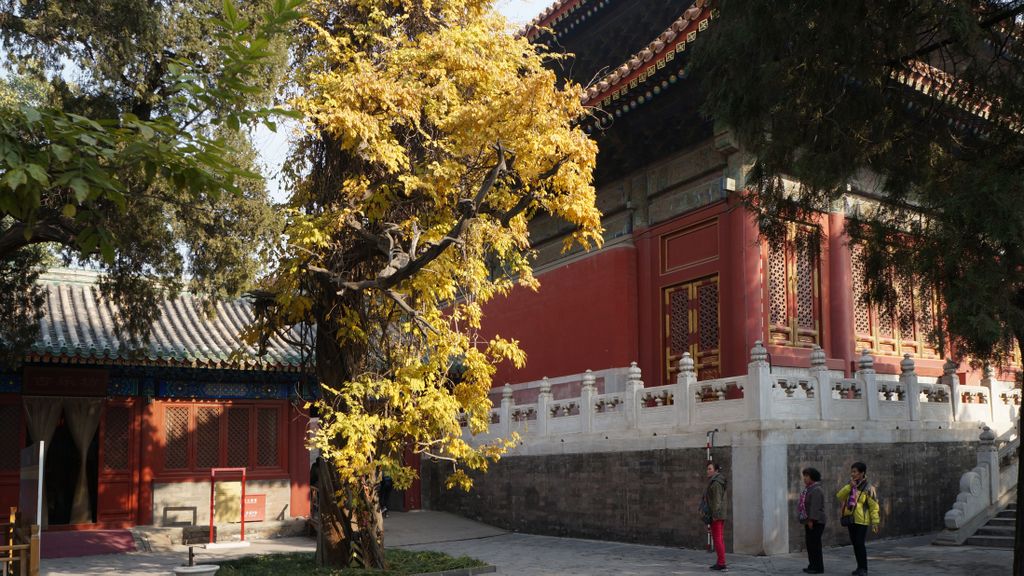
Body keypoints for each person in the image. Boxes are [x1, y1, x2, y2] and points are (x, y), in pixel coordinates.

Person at [835, 462, 880, 576]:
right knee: (855, 544)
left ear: (862, 473)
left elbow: (874, 506)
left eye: (855, 472)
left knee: (860, 544)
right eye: (852, 471)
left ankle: (863, 569)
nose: (853, 474)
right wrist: (849, 486)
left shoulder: (869, 487)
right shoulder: (850, 485)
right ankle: (859, 567)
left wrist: (875, 522)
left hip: (862, 521)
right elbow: (839, 496)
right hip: (851, 519)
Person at [798, 467, 826, 574]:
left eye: (807, 476)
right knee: (810, 545)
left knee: (815, 545)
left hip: (816, 522)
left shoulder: (816, 490)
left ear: (813, 477)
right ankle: (812, 565)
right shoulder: (808, 489)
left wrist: (811, 520)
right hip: (809, 521)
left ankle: (818, 567)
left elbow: (815, 507)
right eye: (804, 476)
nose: (804, 478)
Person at [701, 462, 728, 571]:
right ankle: (720, 561)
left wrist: (714, 515)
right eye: (707, 469)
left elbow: (716, 501)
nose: (707, 471)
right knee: (719, 539)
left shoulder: (716, 483)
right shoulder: (717, 481)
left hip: (716, 515)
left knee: (717, 539)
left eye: (709, 469)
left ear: (716, 470)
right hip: (719, 514)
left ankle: (721, 563)